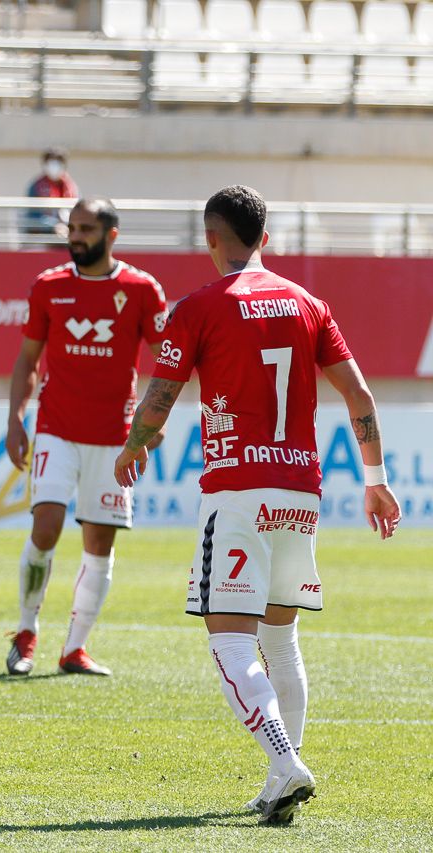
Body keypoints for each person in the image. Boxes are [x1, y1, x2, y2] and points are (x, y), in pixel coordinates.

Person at [113, 185, 402, 825]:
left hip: (237, 490)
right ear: (265, 237)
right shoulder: (309, 304)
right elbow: (360, 398)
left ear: (210, 238)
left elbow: (159, 398)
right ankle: (280, 780)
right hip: (300, 491)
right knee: (281, 638)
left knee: (231, 643)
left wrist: (134, 444)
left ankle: (287, 762)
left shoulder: (197, 308)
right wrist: (375, 477)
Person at [4, 198, 168, 678]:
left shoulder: (141, 289)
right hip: (57, 429)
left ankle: (75, 648)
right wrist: (16, 419)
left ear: (111, 234)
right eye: (71, 227)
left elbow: (168, 362)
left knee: (100, 543)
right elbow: (28, 360)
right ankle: (26, 630)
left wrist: (150, 424)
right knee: (46, 526)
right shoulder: (49, 286)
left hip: (116, 438)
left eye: (86, 228)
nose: (75, 236)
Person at [22, 147, 79, 239]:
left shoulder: (71, 187)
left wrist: (66, 226)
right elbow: (33, 218)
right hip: (43, 234)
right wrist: (54, 226)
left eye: (58, 163)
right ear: (44, 165)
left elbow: (77, 213)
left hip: (67, 233)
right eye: (51, 163)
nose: (54, 167)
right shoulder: (36, 187)